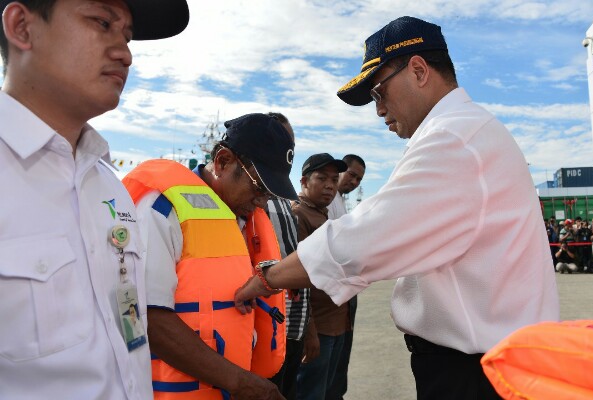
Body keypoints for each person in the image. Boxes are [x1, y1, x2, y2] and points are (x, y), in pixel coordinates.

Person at [234, 16, 559, 400]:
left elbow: (361, 240)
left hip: (477, 372)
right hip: (493, 360)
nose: (379, 109)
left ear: (419, 70)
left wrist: (267, 278)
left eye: (379, 92)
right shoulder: (471, 132)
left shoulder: (453, 140)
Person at [0, 0, 188, 398]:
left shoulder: (109, 186)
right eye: (102, 22)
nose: (126, 53)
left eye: (128, 35)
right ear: (21, 27)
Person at [122, 113, 296, 400]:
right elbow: (144, 316)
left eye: (270, 194)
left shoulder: (239, 217)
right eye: (259, 186)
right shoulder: (161, 209)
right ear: (223, 161)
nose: (262, 201)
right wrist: (241, 382)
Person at [292, 153, 348, 400]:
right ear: (304, 181)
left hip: (336, 325)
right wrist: (309, 331)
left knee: (326, 392)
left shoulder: (324, 216)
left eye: (334, 180)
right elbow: (298, 281)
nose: (330, 186)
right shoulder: (299, 215)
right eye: (322, 178)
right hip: (319, 328)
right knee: (310, 394)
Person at [264, 113, 310, 400]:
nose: (287, 149)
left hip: (293, 328)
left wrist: (309, 330)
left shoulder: (287, 200)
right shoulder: (246, 196)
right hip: (263, 328)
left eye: (291, 142)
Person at [326, 154, 365, 400]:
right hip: (330, 295)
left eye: (359, 179)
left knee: (339, 363)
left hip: (345, 295)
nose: (354, 181)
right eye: (351, 174)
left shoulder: (339, 201)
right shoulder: (327, 201)